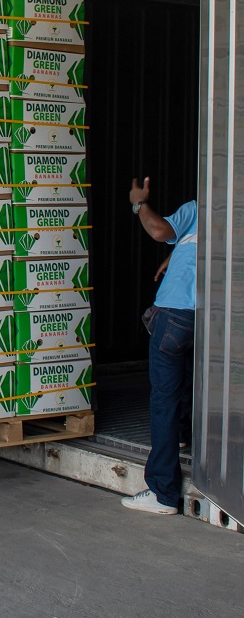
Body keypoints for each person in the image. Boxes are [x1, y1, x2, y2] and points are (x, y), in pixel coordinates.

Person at [121, 176, 196, 516]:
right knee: (195, 379)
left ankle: (164, 493)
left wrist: (139, 203)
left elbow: (158, 230)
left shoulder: (199, 209)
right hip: (212, 318)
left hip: (175, 314)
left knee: (163, 398)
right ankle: (182, 433)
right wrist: (176, 255)